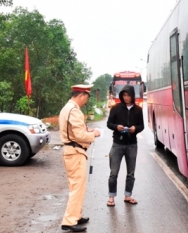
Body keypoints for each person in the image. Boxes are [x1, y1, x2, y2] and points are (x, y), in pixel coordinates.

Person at [59, 84, 101, 232]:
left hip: (71, 152)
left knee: (75, 186)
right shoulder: (74, 111)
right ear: (81, 95)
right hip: (75, 152)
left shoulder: (67, 108)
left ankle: (76, 215)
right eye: (86, 98)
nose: (85, 102)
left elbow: (76, 130)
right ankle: (70, 221)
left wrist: (89, 130)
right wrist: (93, 134)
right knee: (77, 188)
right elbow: (79, 135)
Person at [106, 85, 144, 207]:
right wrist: (116, 127)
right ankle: (111, 197)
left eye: (128, 95)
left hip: (132, 144)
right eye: (124, 95)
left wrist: (135, 129)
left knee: (131, 173)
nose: (126, 98)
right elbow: (109, 123)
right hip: (118, 144)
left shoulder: (138, 109)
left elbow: (141, 126)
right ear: (122, 96)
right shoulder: (116, 108)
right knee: (114, 172)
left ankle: (128, 195)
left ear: (132, 96)